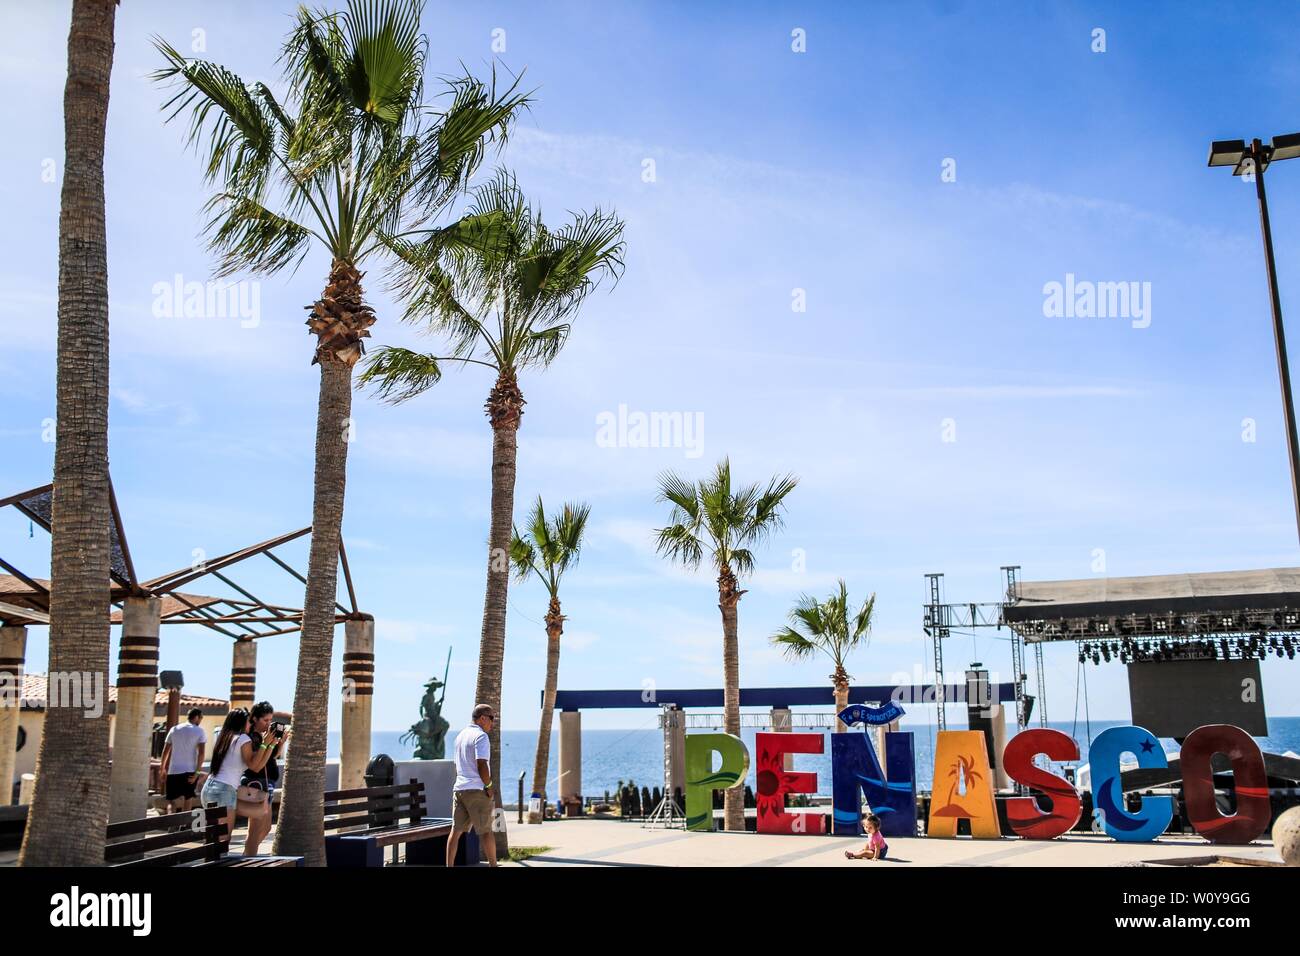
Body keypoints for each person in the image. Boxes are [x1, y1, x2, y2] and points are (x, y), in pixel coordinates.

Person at [200, 708, 283, 850]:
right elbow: (255, 766)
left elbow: (259, 764)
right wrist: (266, 743)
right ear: (241, 723)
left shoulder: (224, 738)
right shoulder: (243, 738)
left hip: (210, 789)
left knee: (214, 837)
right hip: (224, 791)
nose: (250, 725)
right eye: (248, 722)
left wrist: (272, 744)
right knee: (222, 841)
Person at [446, 703, 498, 868]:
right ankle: (494, 866)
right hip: (476, 790)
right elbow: (481, 764)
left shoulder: (460, 736)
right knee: (486, 832)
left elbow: (457, 765)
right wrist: (489, 786)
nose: (493, 722)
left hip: (459, 789)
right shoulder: (481, 736)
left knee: (455, 832)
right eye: (492, 718)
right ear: (482, 718)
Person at [240, 701, 286, 856]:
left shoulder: (262, 736)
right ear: (254, 719)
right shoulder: (250, 737)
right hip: (255, 784)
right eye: (265, 720)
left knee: (265, 828)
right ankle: (248, 858)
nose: (268, 724)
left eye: (270, 720)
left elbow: (274, 756)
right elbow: (257, 764)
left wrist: (280, 742)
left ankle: (247, 855)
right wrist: (267, 743)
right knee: (254, 830)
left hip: (266, 783)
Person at [159, 708, 207, 813]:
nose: (201, 721)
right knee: (188, 798)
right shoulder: (200, 731)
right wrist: (197, 773)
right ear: (196, 717)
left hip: (173, 770)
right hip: (190, 771)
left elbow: (165, 751)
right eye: (201, 718)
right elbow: (202, 754)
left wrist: (162, 769)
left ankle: (171, 824)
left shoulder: (174, 729)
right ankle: (184, 826)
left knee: (171, 801)